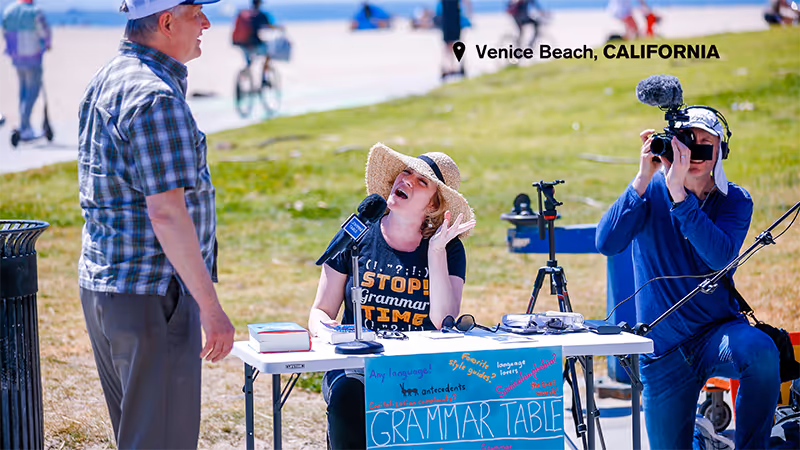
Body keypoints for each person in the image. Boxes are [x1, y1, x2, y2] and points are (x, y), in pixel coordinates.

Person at [78, 1, 235, 449]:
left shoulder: (106, 78)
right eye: (195, 14)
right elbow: (166, 212)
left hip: (106, 287)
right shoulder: (157, 97)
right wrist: (210, 307)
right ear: (166, 21)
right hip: (152, 296)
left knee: (141, 436)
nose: (205, 23)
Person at [596, 108, 780, 449]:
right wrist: (642, 176)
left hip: (717, 334)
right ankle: (702, 439)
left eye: (704, 146)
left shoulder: (734, 200)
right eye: (685, 144)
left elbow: (720, 257)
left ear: (720, 152)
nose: (692, 156)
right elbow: (607, 243)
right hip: (663, 349)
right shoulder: (650, 192)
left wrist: (680, 195)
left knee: (762, 351)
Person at [308, 143, 476, 450]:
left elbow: (443, 321)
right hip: (356, 368)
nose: (407, 180)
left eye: (421, 181)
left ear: (433, 206)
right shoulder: (357, 231)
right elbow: (321, 311)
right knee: (347, 399)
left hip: (419, 371)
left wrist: (435, 251)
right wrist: (330, 333)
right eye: (406, 172)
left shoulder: (448, 249)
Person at [2, 0, 51, 141]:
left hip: (16, 57)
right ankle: (24, 127)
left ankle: (25, 125)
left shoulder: (9, 11)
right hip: (33, 57)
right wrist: (46, 44)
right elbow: (44, 32)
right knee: (33, 91)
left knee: (23, 91)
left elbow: (5, 33)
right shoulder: (35, 12)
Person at [232, 0, 282, 87]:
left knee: (249, 62)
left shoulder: (244, 14)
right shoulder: (261, 15)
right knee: (268, 54)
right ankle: (264, 79)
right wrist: (279, 28)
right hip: (254, 43)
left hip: (241, 43)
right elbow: (271, 26)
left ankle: (246, 75)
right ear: (259, 4)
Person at [438, 0, 472, 80]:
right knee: (450, 44)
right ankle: (450, 66)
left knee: (452, 44)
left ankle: (452, 66)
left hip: (452, 19)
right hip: (450, 19)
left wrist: (469, 14)